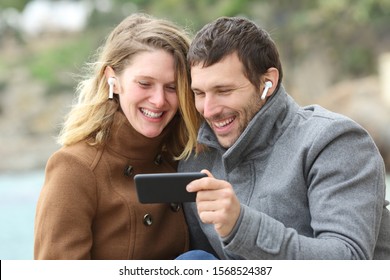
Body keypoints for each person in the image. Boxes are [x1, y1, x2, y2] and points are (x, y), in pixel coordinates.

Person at [179, 16, 390, 259]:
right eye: (199, 93)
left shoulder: (335, 142)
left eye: (224, 91)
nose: (209, 109)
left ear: (267, 82)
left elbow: (347, 261)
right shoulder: (197, 162)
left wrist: (241, 225)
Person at [34, 13, 199, 259]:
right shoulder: (75, 167)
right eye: (144, 84)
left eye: (172, 87)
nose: (159, 100)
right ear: (113, 80)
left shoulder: (186, 157)